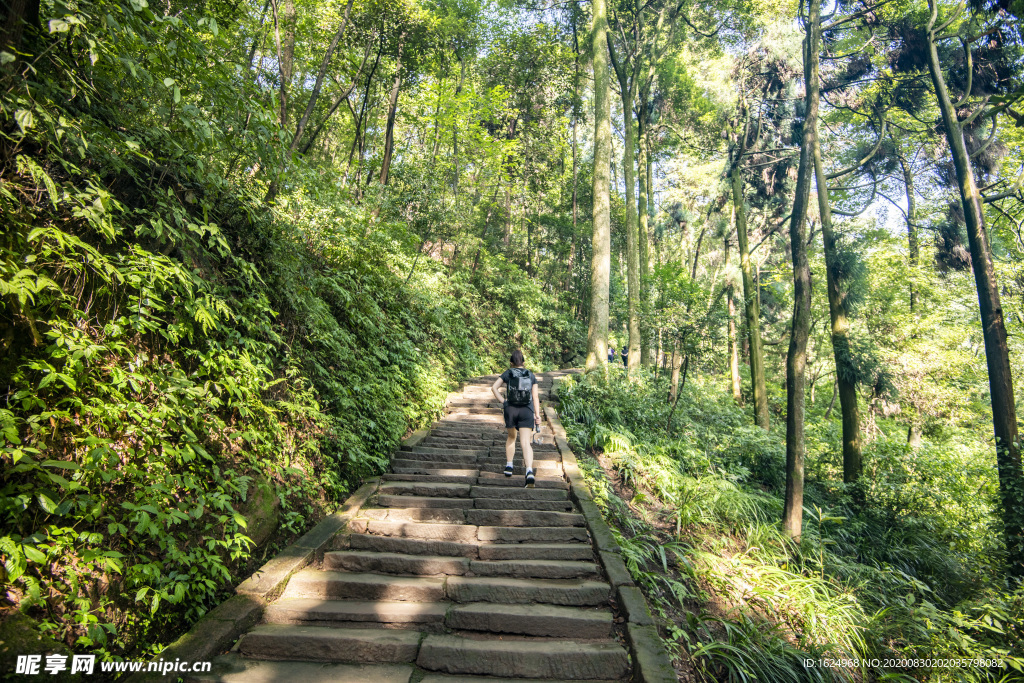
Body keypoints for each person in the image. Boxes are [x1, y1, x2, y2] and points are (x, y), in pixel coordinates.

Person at [491, 349, 541, 487]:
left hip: (511, 410)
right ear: (523, 362)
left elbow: (494, 388)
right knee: (525, 442)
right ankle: (529, 471)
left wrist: (504, 402)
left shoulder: (508, 373)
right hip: (527, 410)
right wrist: (537, 415)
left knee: (511, 437)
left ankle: (509, 466)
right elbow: (535, 397)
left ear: (511, 362)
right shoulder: (530, 375)